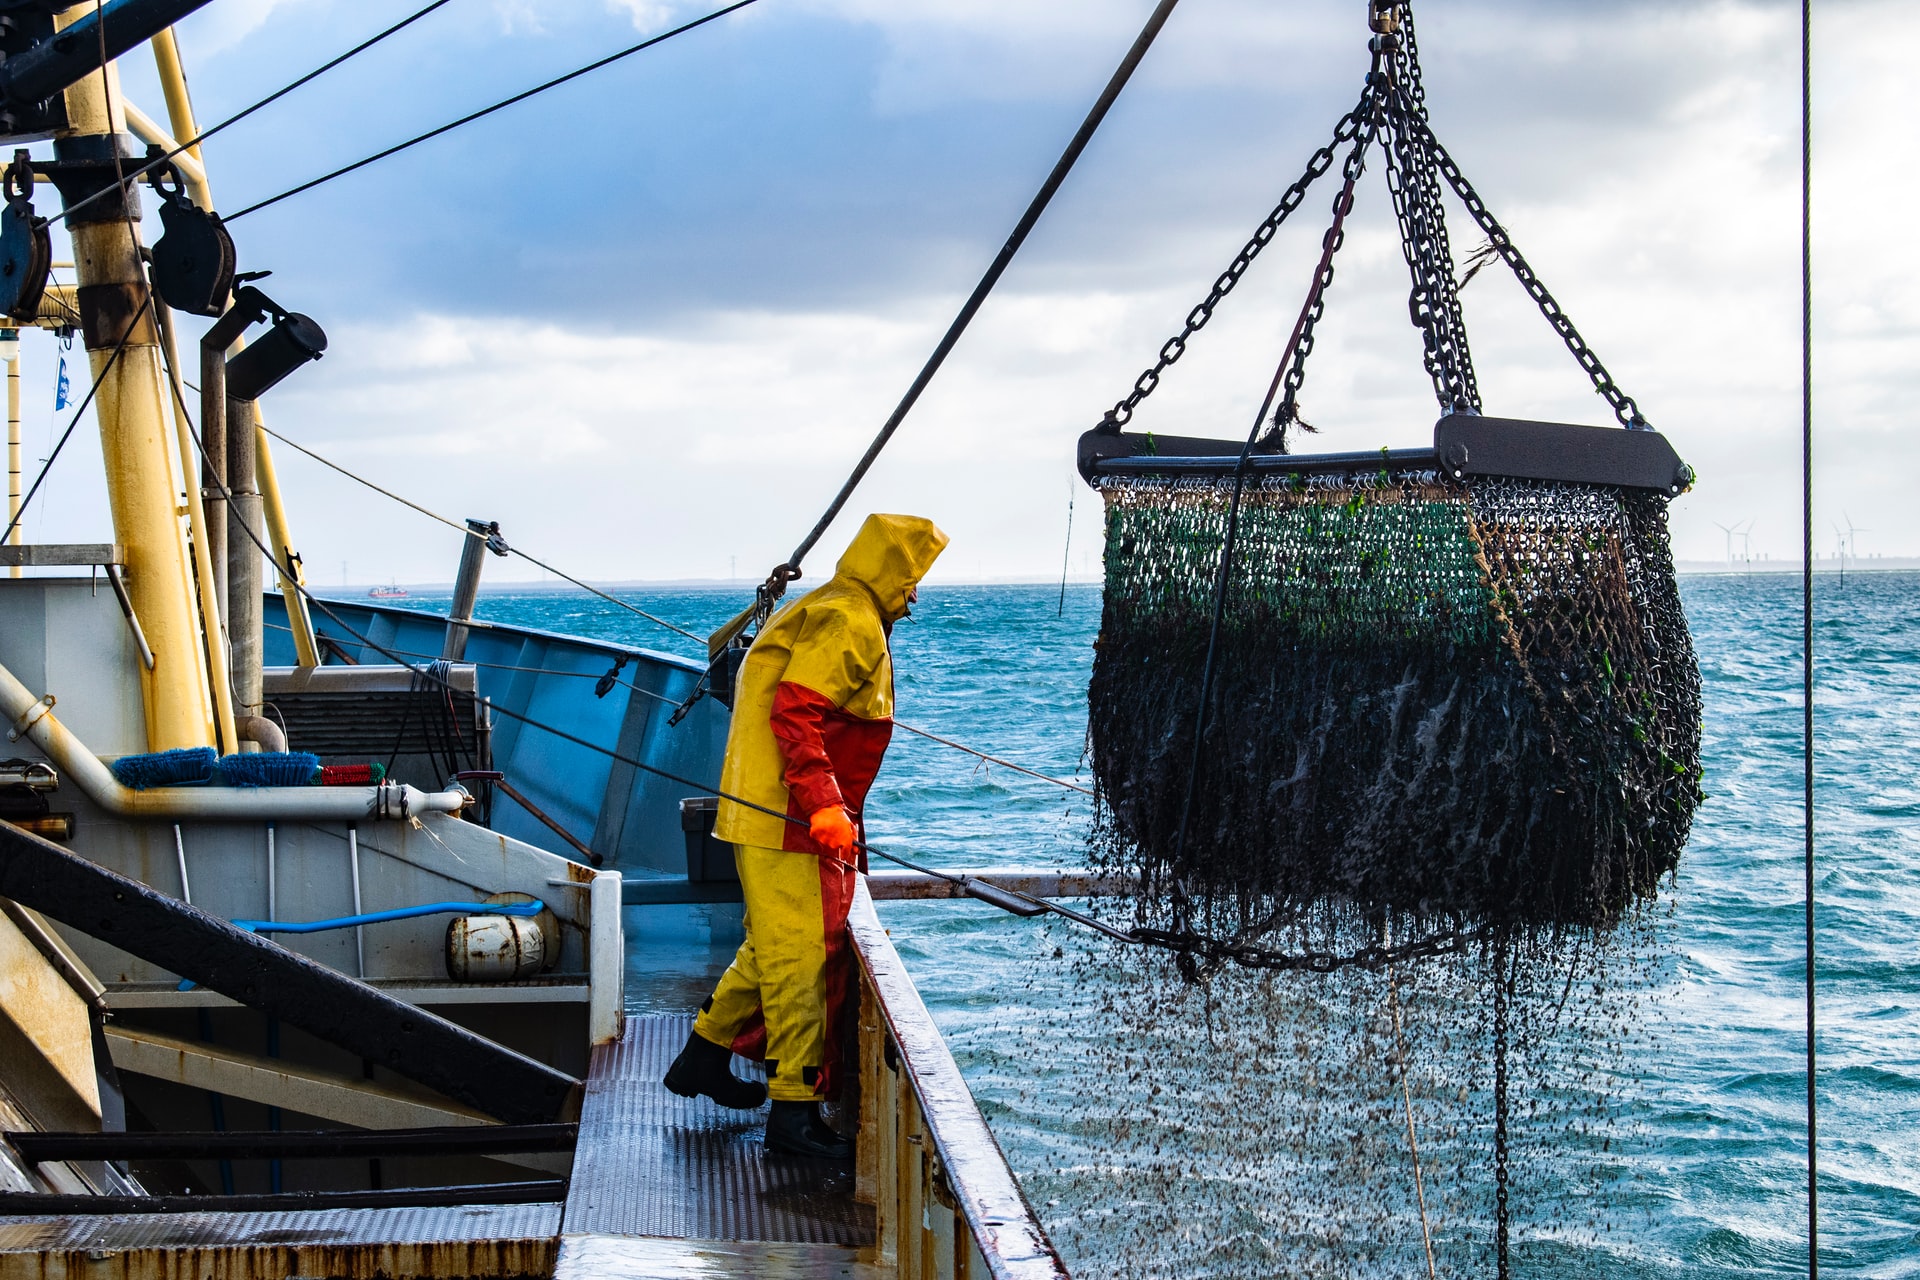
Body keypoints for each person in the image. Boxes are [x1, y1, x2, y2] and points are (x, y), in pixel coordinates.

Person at [664, 513, 949, 1158]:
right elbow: (795, 710)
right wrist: (824, 805)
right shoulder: (851, 620)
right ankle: (793, 1115)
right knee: (801, 958)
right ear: (891, 573)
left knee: (774, 945)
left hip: (765, 811)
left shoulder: (832, 604)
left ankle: (703, 1056)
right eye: (911, 582)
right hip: (788, 819)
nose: (913, 597)